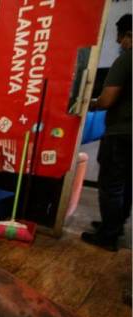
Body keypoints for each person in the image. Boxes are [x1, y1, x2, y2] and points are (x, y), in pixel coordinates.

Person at [81, 14, 132, 252]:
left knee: (110, 184)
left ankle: (108, 236)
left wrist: (92, 103)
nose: (120, 43)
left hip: (121, 132)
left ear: (127, 36)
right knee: (126, 183)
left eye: (120, 38)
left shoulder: (126, 60)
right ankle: (116, 225)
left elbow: (108, 98)